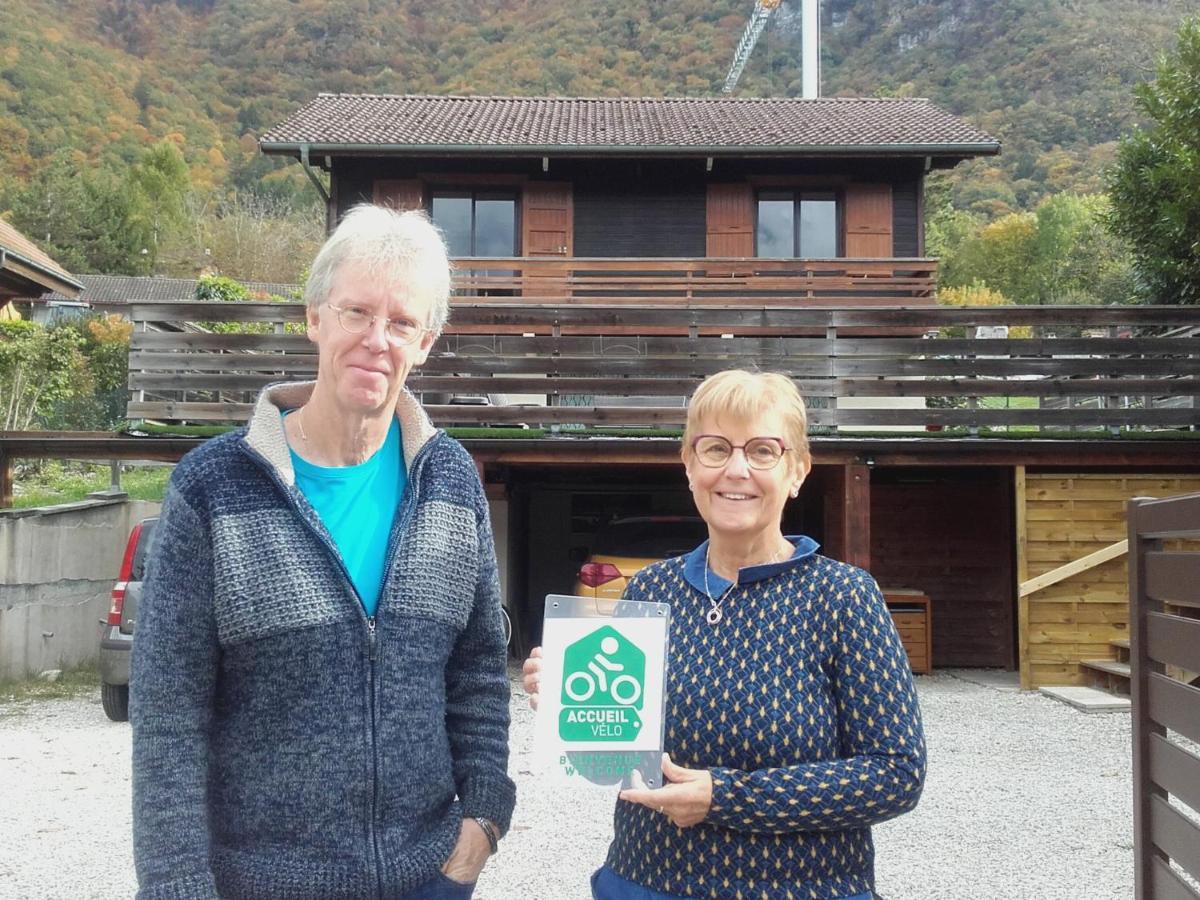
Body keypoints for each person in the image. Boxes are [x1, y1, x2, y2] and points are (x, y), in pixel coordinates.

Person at [131, 204, 515, 899]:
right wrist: (175, 887)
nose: (377, 339)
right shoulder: (212, 487)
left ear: (425, 342)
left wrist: (480, 825)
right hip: (259, 884)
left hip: (426, 878)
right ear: (315, 318)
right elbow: (168, 717)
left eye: (401, 323)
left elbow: (479, 670)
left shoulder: (452, 480)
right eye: (357, 312)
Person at [523, 369, 925, 900]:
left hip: (801, 890)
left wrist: (727, 797)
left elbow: (896, 773)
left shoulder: (843, 597)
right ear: (689, 464)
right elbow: (615, 759)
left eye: (762, 451)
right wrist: (566, 705)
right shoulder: (650, 590)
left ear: (797, 470)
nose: (736, 470)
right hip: (646, 881)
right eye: (715, 449)